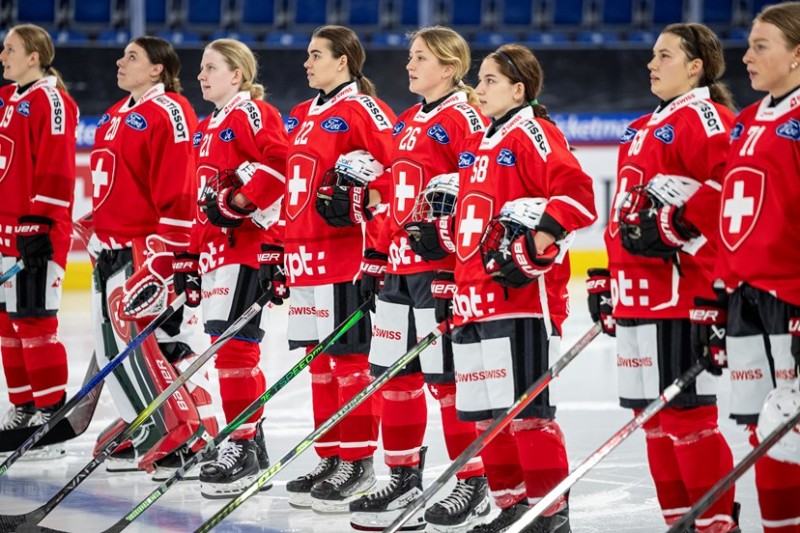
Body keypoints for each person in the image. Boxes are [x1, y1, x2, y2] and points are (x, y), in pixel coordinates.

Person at [347, 26, 491, 532]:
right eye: (410, 56)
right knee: (394, 377)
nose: (409, 65)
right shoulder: (407, 120)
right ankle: (403, 476)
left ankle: (472, 482)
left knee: (447, 382)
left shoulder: (467, 118)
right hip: (399, 268)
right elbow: (390, 190)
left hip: (437, 272)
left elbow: (478, 195)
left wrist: (454, 267)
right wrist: (376, 250)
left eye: (421, 58)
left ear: (450, 67)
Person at [450, 44, 596, 533]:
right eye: (480, 79)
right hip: (475, 300)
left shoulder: (533, 131)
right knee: (488, 418)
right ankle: (512, 506)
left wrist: (534, 246)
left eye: (490, 80)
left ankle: (548, 514)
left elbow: (577, 195)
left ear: (519, 89)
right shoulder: (485, 141)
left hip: (520, 304)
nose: (480, 88)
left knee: (527, 416)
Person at [605, 23, 741, 532]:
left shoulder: (704, 116)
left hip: (685, 295)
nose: (651, 64)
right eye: (652, 55)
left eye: (664, 55)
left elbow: (730, 186)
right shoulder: (642, 125)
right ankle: (681, 524)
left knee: (687, 418)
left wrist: (681, 221)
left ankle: (716, 526)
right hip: (640, 295)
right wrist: (608, 277)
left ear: (695, 67)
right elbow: (629, 213)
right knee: (654, 422)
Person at [89, 36, 216, 478]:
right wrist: (95, 222)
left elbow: (179, 187)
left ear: (158, 68)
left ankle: (188, 431)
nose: (120, 62)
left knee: (158, 345)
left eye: (132, 57)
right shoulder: (114, 114)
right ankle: (144, 422)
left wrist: (170, 254)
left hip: (145, 248)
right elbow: (119, 183)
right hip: (110, 247)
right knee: (115, 350)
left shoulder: (170, 110)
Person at [282, 25, 396, 513]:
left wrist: (367, 195)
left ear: (343, 61)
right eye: (307, 55)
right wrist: (279, 250)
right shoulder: (302, 114)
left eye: (315, 55)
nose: (306, 64)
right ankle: (330, 456)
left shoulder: (363, 108)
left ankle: (359, 460)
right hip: (303, 256)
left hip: (343, 256)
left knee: (349, 364)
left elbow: (400, 169)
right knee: (320, 366)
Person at [701, 3, 800, 530]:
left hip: (792, 300)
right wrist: (720, 297)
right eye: (749, 44)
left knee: (793, 435)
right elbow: (730, 217)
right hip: (746, 300)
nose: (748, 55)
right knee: (764, 432)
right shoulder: (744, 123)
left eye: (762, 45)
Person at [190, 38, 288, 498]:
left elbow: (281, 167)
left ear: (238, 75)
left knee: (235, 350)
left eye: (211, 68)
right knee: (224, 348)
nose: (201, 76)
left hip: (245, 247)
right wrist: (189, 256)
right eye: (201, 68)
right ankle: (250, 443)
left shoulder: (251, 113)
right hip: (216, 253)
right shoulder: (206, 127)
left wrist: (241, 202)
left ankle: (243, 446)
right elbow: (202, 204)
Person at [0, 24, 78, 458]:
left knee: (34, 323)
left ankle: (51, 418)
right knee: (7, 326)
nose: (2, 56)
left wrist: (38, 223)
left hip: (36, 234)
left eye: (9, 49)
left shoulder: (52, 100)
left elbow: (58, 168)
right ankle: (24, 407)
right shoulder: (6, 99)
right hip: (3, 233)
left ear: (34, 57)